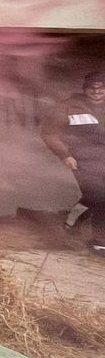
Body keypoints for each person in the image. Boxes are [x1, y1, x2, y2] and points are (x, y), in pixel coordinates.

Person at [41, 70, 105, 253]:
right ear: (85, 89)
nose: (97, 92)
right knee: (100, 196)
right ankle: (100, 242)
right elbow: (49, 133)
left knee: (95, 197)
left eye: (101, 88)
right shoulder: (69, 107)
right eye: (92, 88)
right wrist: (65, 155)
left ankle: (71, 221)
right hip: (81, 159)